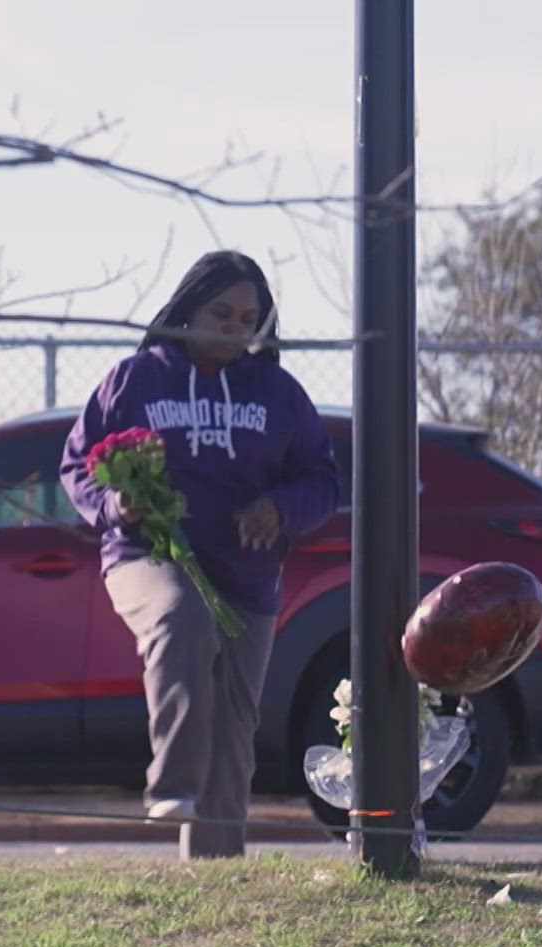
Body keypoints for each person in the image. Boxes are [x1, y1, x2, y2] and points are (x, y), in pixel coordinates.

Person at [60, 251, 341, 859]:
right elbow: (77, 464)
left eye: (248, 319)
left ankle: (215, 871)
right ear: (190, 307)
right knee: (181, 618)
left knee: (236, 723)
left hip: (246, 575)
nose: (234, 328)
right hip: (147, 555)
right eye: (221, 313)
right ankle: (172, 783)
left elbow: (323, 480)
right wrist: (116, 504)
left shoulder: (279, 393)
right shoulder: (136, 378)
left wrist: (280, 508)